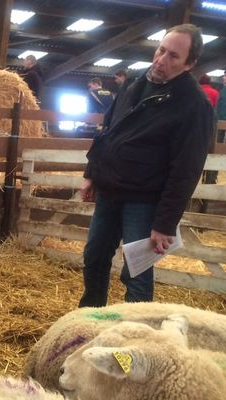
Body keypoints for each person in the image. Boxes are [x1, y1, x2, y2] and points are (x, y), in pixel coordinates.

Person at [79, 24, 213, 307]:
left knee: (136, 272)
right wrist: (92, 174)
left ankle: (136, 339)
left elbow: (186, 169)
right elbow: (109, 129)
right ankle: (89, 321)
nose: (161, 60)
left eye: (173, 56)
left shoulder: (193, 103)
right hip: (111, 190)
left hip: (145, 199)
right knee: (94, 257)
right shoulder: (136, 81)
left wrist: (165, 223)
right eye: (161, 50)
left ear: (190, 63)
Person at [218, 74, 226, 144]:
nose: (223, 78)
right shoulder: (222, 90)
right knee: (219, 140)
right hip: (221, 118)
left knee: (219, 139)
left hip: (222, 118)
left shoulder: (223, 91)